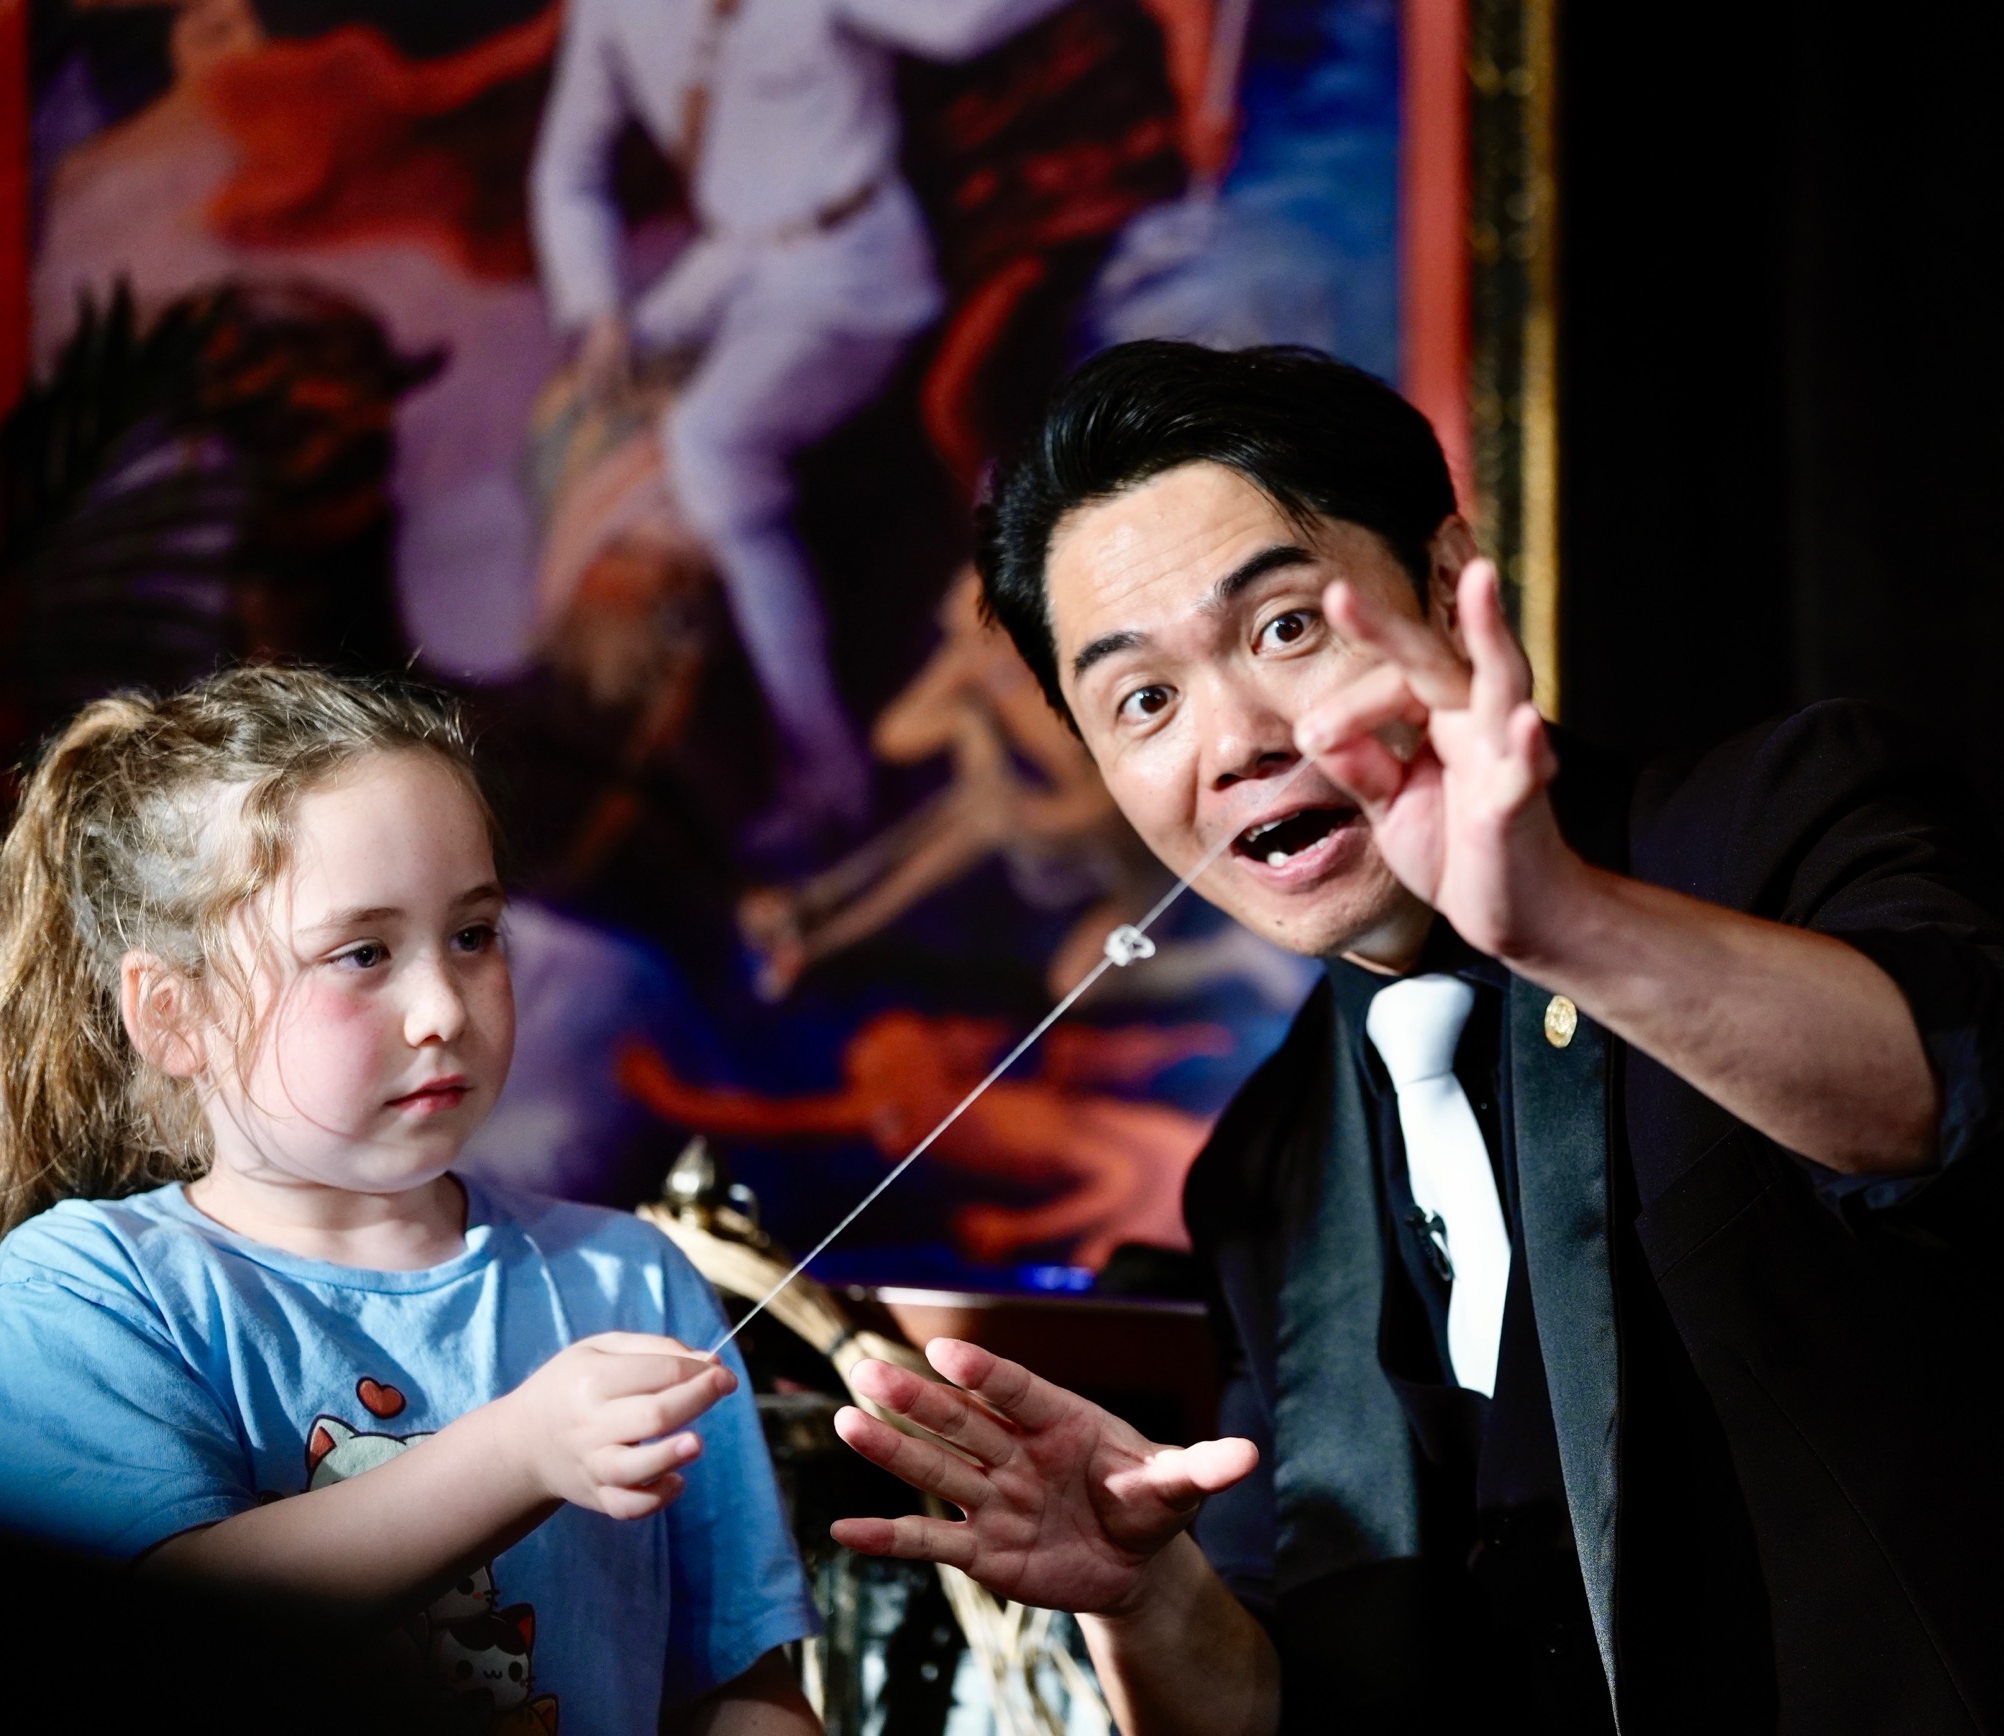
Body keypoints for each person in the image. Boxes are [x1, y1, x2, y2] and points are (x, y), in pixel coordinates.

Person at [824, 342, 2004, 1733]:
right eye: (1145, 699)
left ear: (1447, 587)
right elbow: (1281, 1703)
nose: (1239, 737)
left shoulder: (1775, 820)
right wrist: (1143, 1598)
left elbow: (1937, 1105)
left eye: (1283, 630)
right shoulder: (1267, 1166)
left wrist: (1562, 922)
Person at [0, 666, 822, 1736]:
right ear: (173, 1014)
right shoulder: (91, 1285)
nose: (439, 1009)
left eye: (473, 934)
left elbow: (742, 1684)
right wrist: (518, 1451)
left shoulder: (629, 1276)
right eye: (361, 953)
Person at [529, 0, 1085, 841]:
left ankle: (825, 769)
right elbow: (568, 170)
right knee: (569, 414)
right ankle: (609, 712)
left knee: (710, 443)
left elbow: (962, 24)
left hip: (851, 261)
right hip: (731, 262)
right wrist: (599, 309)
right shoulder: (612, 11)